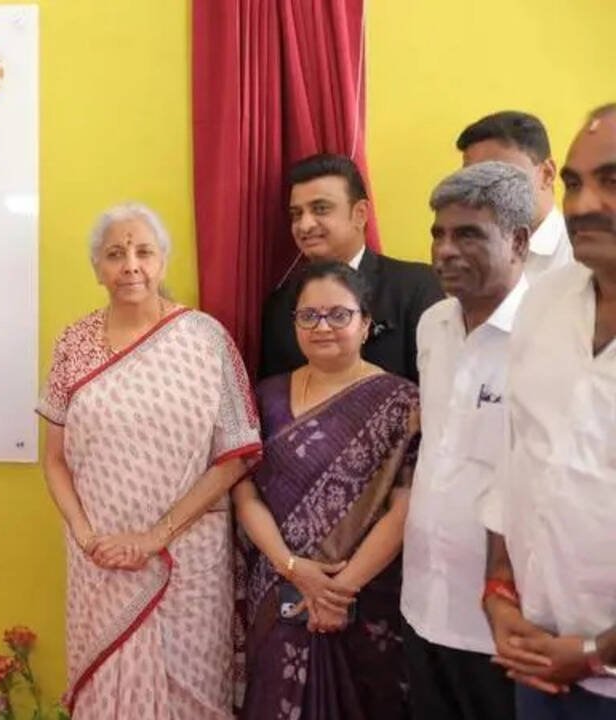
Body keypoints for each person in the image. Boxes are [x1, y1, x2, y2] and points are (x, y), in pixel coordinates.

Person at [38, 203, 261, 719]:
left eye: (143, 251)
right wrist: (86, 537)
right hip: (101, 558)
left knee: (192, 697)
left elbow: (236, 456)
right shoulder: (74, 343)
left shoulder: (205, 339)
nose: (131, 265)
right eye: (115, 254)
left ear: (162, 261)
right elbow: (54, 460)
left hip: (187, 557)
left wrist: (156, 535)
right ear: (97, 268)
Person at [480, 104, 616, 719]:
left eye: (612, 181)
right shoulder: (544, 301)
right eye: (575, 183)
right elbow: (518, 461)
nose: (582, 205)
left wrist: (595, 653)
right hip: (537, 660)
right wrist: (499, 592)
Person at [238, 261, 418, 719]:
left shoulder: (402, 402)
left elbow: (404, 507)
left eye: (339, 315)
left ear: (366, 323)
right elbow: (244, 493)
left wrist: (339, 590)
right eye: (309, 316)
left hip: (365, 598)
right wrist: (291, 566)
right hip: (277, 590)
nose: (322, 327)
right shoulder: (265, 397)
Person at [401, 161, 534, 720]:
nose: (445, 251)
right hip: (423, 601)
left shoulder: (551, 336)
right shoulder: (432, 325)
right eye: (438, 234)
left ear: (518, 241)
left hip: (506, 624)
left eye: (468, 235)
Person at [260, 153, 444, 382]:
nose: (305, 225)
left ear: (360, 214)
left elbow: (438, 387)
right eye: (296, 214)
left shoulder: (415, 287)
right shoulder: (281, 304)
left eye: (320, 209)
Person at [457, 110, 574, 280]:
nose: (482, 190)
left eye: (500, 175)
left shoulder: (583, 259)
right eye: (472, 178)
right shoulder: (464, 255)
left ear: (547, 174)